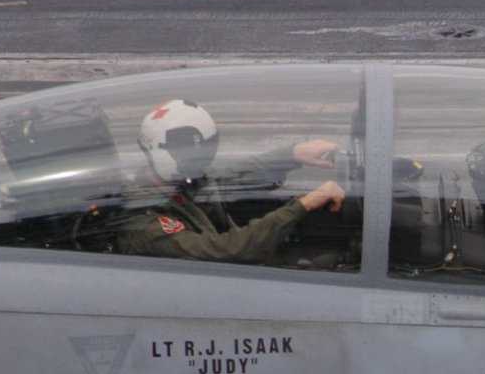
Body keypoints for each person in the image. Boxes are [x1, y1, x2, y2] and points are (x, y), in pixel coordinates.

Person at [116, 97, 346, 264]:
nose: (203, 160)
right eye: (197, 153)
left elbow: (230, 178)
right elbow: (228, 250)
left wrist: (292, 154)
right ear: (170, 154)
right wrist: (302, 206)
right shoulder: (145, 224)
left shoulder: (174, 183)